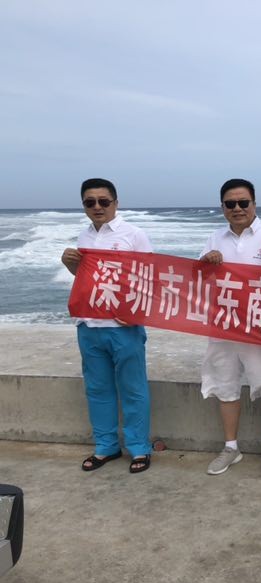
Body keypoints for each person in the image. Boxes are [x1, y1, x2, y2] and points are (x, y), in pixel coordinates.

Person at [61, 178, 153, 474]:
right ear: (84, 205)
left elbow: (149, 278)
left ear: (116, 202)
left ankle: (139, 447)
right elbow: (87, 278)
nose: (97, 207)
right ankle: (106, 446)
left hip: (123, 326)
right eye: (90, 202)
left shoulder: (133, 234)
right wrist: (70, 264)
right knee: (97, 389)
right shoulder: (84, 235)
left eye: (104, 201)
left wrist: (136, 314)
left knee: (133, 389)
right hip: (89, 325)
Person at [200, 179, 261, 479]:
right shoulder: (214, 238)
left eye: (243, 202)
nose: (237, 208)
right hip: (223, 325)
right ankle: (230, 447)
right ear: (222, 207)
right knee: (225, 386)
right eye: (230, 204)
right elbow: (197, 279)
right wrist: (206, 264)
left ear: (254, 203)